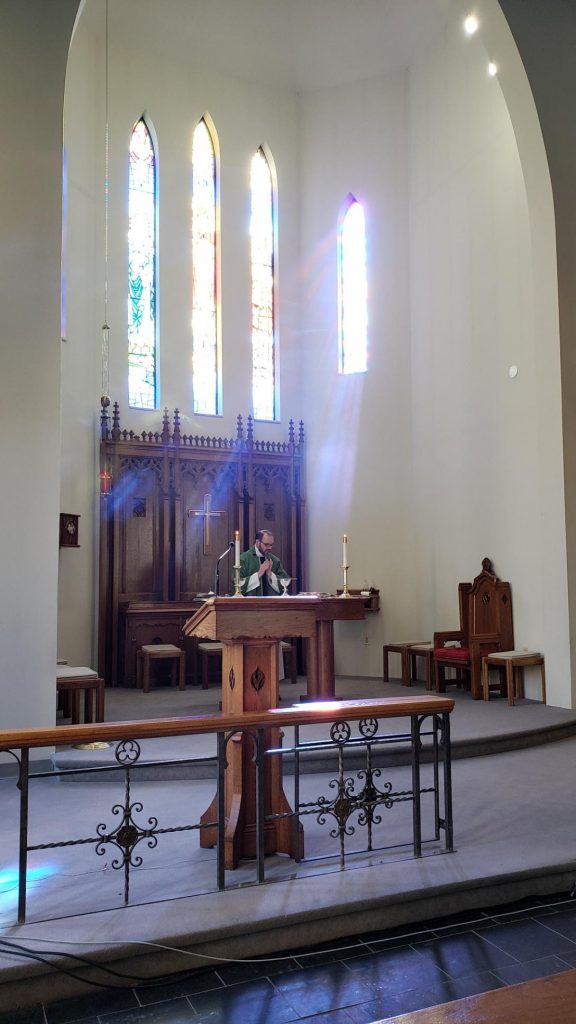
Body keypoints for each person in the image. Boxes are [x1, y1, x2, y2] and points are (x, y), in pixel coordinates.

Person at [239, 530, 290, 596]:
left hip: (272, 604)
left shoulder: (274, 560)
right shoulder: (244, 559)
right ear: (257, 542)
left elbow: (285, 583)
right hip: (250, 604)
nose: (269, 548)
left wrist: (270, 574)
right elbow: (237, 585)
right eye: (266, 544)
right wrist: (259, 573)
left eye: (271, 545)